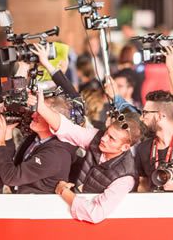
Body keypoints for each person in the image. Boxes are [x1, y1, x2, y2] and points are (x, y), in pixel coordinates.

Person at [34, 86, 141, 224]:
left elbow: (95, 214)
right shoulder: (97, 137)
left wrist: (64, 192)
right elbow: (67, 129)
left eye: (112, 139)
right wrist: (42, 108)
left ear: (125, 147)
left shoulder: (125, 178)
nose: (104, 138)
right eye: (106, 133)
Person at [0, 95, 77, 194]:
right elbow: (12, 168)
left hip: (36, 207)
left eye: (40, 114)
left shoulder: (55, 155)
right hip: (23, 200)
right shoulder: (37, 138)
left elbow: (11, 178)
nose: (33, 115)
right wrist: (7, 135)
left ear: (53, 120)